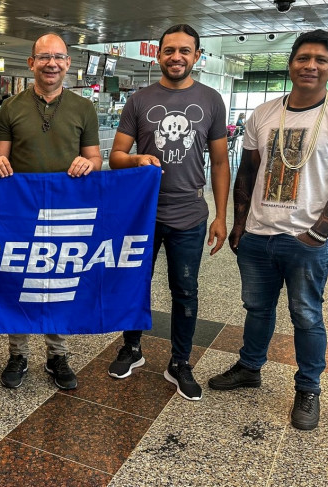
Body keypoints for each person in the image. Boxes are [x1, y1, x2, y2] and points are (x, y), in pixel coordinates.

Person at [208, 30, 328, 431]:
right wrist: (240, 224)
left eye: (319, 60)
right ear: (291, 63)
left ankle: (308, 387)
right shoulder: (263, 113)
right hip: (259, 236)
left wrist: (317, 235)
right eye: (303, 58)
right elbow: (247, 172)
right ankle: (249, 368)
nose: (310, 66)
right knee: (257, 308)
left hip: (309, 242)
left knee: (306, 315)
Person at [106, 24, 230, 402]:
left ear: (197, 56)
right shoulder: (139, 100)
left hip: (190, 213)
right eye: (169, 50)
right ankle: (132, 348)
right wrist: (136, 158)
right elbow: (115, 158)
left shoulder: (210, 100)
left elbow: (222, 163)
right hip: (142, 213)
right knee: (133, 283)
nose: (177, 57)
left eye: (185, 51)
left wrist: (221, 216)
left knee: (186, 291)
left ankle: (180, 362)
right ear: (158, 55)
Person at [0, 33, 101, 391]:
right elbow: (0, 154)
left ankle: (57, 354)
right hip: (20, 209)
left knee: (58, 279)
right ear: (31, 63)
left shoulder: (84, 107)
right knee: (21, 280)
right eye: (44, 57)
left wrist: (89, 162)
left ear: (68, 63)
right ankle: (18, 353)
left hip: (67, 210)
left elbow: (96, 157)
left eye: (58, 57)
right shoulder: (11, 107)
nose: (51, 64)